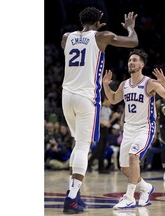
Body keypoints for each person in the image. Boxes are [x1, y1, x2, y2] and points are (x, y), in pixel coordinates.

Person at [60, 6, 138, 214]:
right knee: (84, 146)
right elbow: (133, 42)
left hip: (66, 95)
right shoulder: (102, 36)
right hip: (86, 97)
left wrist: (91, 29)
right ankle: (72, 198)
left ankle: (73, 193)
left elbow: (76, 49)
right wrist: (130, 27)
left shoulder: (67, 37)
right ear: (98, 22)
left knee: (79, 144)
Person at [102, 49, 165, 209]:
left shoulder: (149, 83)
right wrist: (106, 86)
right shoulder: (124, 84)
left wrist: (164, 83)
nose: (131, 62)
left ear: (142, 64)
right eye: (130, 60)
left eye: (135, 60)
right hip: (128, 129)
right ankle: (145, 188)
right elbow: (114, 99)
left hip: (145, 128)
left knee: (133, 157)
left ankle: (129, 197)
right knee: (124, 168)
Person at [87, 96, 120, 174]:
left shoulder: (109, 110)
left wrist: (113, 118)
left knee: (103, 149)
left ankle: (101, 168)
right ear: (105, 100)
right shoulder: (99, 107)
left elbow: (108, 123)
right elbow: (94, 118)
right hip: (99, 129)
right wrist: (102, 122)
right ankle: (88, 163)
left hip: (105, 130)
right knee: (99, 148)